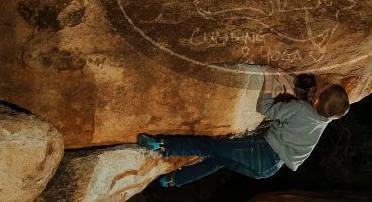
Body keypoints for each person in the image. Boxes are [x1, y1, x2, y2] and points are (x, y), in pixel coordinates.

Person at [137, 67, 349, 187]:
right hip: (269, 169)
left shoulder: (301, 109)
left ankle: (162, 145)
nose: (321, 86)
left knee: (209, 146)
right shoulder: (325, 119)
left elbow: (265, 107)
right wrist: (285, 83)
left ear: (317, 100)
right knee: (218, 159)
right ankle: (173, 180)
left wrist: (268, 79)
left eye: (323, 88)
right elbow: (313, 110)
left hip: (260, 153)